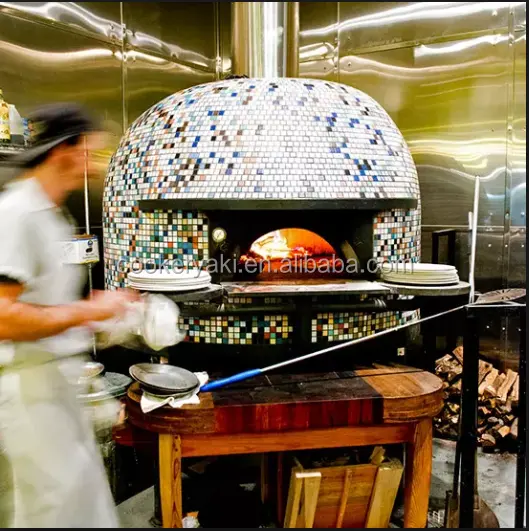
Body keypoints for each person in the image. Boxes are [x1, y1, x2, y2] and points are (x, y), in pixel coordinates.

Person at [0, 104, 135, 527]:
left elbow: (44, 304)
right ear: (65, 151)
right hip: (29, 396)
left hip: (54, 388)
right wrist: (87, 310)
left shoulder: (52, 213)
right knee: (51, 513)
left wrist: (102, 317)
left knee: (81, 509)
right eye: (89, 152)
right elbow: (3, 317)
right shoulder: (17, 212)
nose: (92, 166)